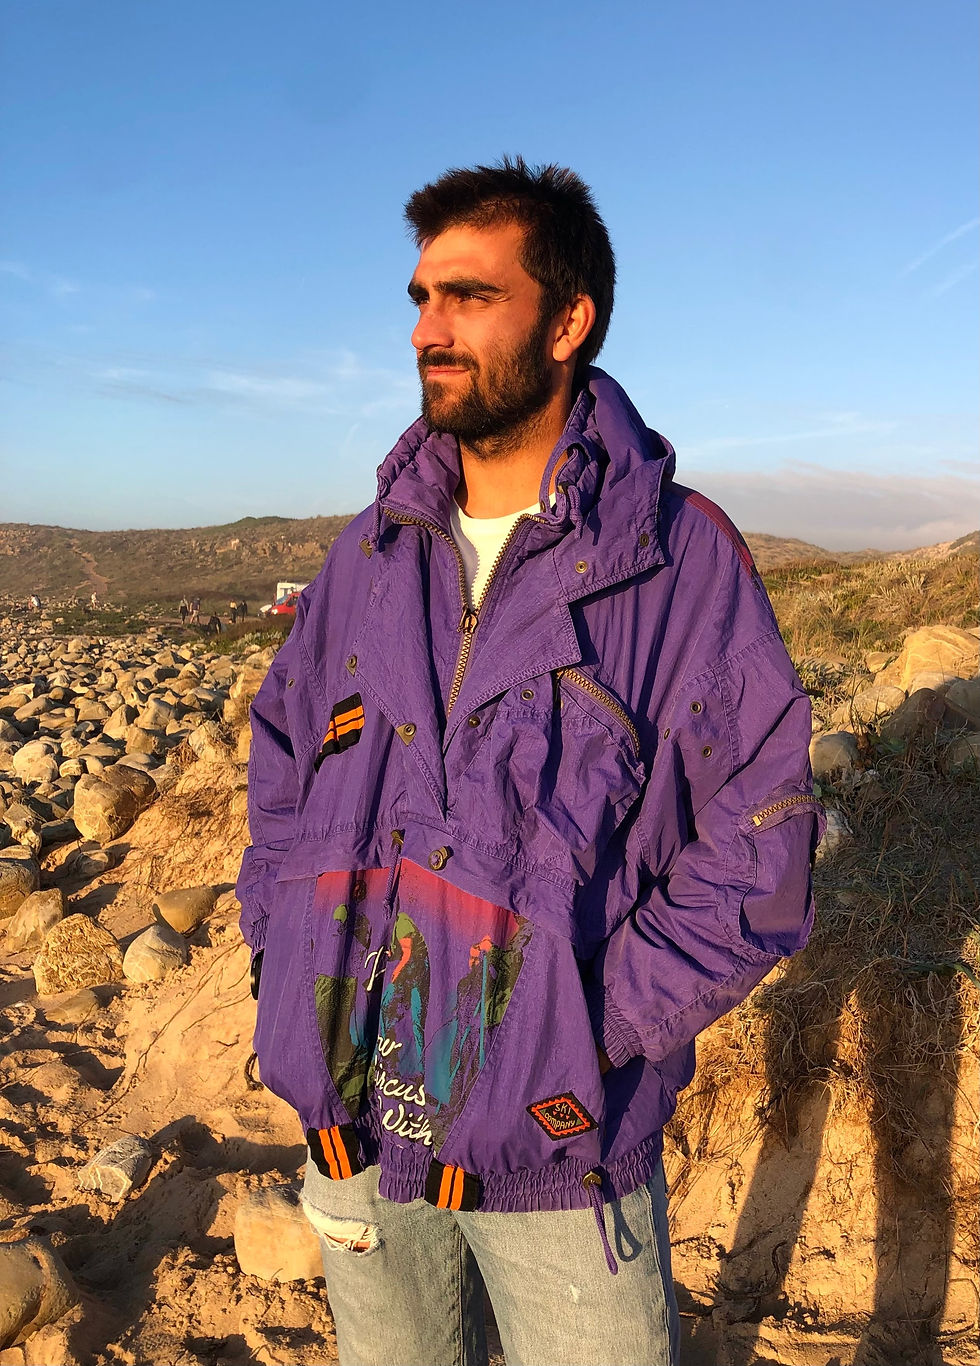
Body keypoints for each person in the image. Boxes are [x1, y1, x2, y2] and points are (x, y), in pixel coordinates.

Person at [238, 158, 822, 1366]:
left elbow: (757, 846)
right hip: (354, 1122)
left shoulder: (678, 563)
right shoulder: (369, 551)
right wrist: (280, 946)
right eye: (420, 297)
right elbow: (284, 754)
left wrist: (579, 1029)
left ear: (566, 322)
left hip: (558, 1152)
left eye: (468, 296)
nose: (427, 329)